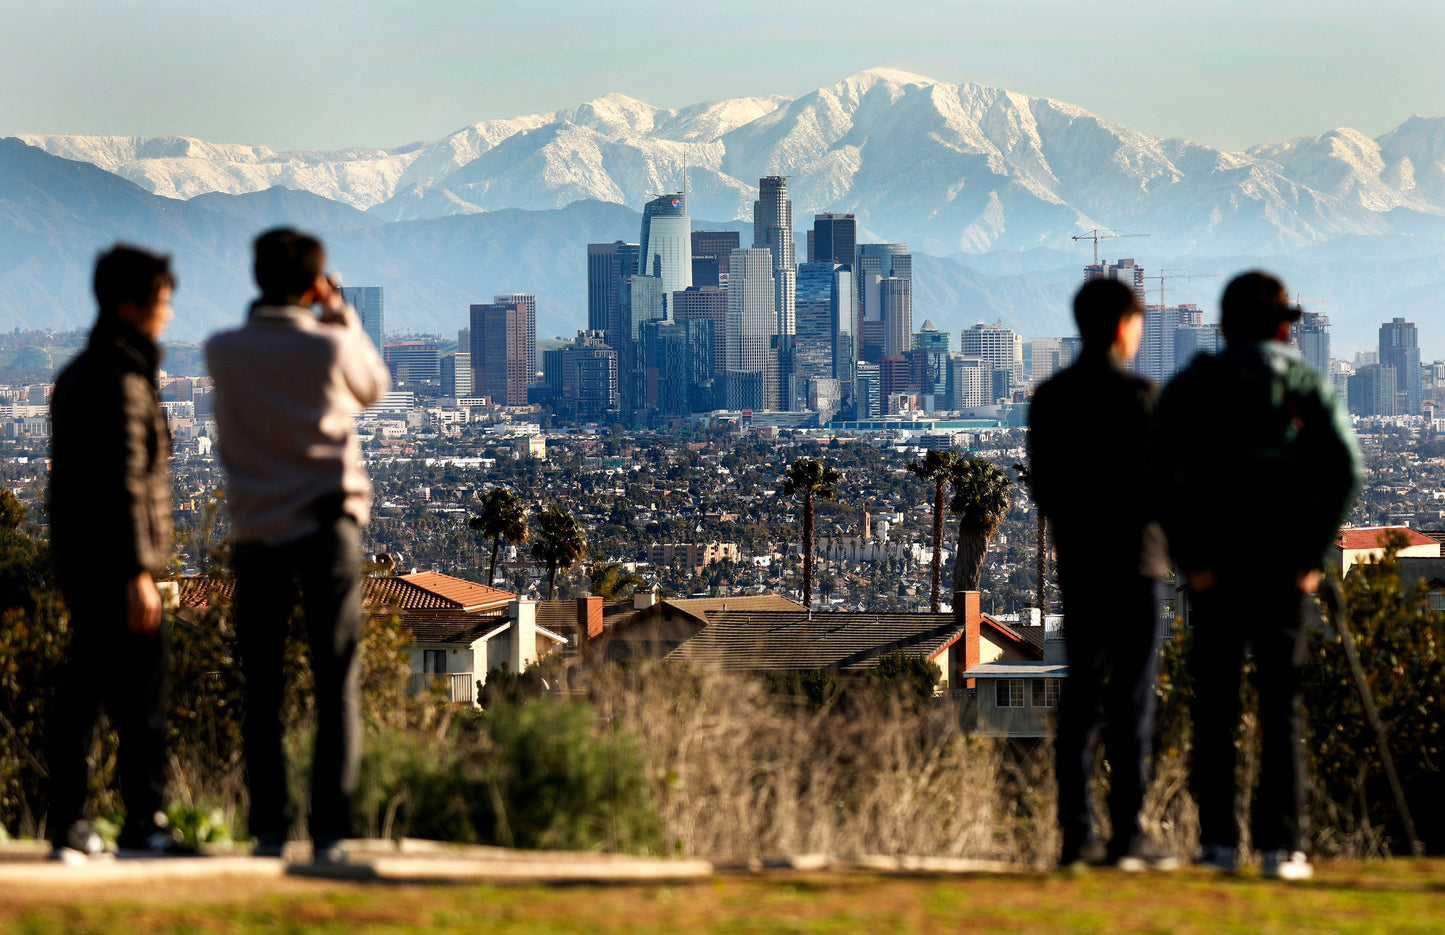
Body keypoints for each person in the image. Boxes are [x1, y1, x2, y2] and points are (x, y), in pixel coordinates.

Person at [1153, 272, 1359, 881]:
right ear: (1281, 326)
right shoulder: (1301, 380)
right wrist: (1310, 557)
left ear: (1223, 327)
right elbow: (1345, 465)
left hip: (1217, 570)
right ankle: (1282, 847)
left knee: (1215, 703)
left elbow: (1159, 471)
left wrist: (1193, 558)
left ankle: (1218, 840)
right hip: (1281, 567)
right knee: (1281, 705)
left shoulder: (1195, 384)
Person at [206, 228, 389, 861]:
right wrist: (341, 314)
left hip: (258, 533)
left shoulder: (222, 351)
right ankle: (331, 832)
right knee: (336, 680)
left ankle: (269, 829)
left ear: (256, 276)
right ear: (315, 283)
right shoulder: (332, 345)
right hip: (327, 526)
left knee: (263, 684)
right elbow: (374, 388)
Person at [1029, 278, 1174, 871]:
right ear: (1122, 326)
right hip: (1138, 563)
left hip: (1082, 561)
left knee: (1083, 697)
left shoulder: (1050, 397)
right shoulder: (1143, 396)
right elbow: (1166, 486)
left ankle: (1075, 833)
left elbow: (1045, 488)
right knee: (1133, 700)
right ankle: (1128, 832)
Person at [47, 245, 184, 859]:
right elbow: (127, 480)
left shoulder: (81, 371)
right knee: (139, 700)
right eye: (162, 301)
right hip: (117, 566)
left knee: (87, 690)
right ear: (133, 304)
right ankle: (141, 820)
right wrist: (137, 571)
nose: (169, 314)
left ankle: (71, 820)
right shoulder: (123, 380)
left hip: (82, 558)